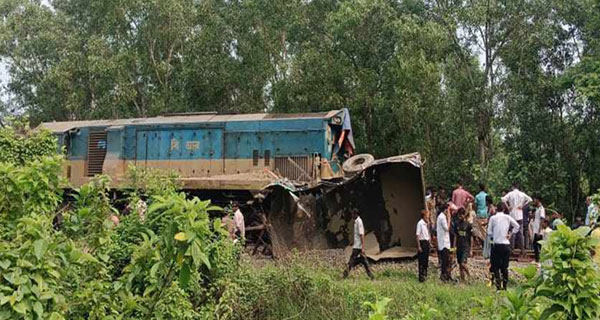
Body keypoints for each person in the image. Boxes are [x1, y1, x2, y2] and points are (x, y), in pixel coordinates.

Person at [487, 204, 519, 290]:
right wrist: (510, 234)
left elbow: (489, 232)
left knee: (496, 267)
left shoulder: (493, 218)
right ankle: (505, 287)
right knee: (505, 267)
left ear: (497, 209)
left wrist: (495, 235)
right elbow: (517, 226)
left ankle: (498, 286)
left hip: (497, 244)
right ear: (504, 209)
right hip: (506, 244)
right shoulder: (507, 217)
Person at [502, 183, 532, 258]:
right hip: (519, 215)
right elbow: (530, 199)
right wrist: (523, 206)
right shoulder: (522, 194)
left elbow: (503, 199)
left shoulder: (510, 194)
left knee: (512, 232)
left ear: (513, 187)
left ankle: (511, 249)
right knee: (520, 233)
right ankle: (522, 250)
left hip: (512, 215)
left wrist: (508, 206)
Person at [343, 209, 374, 279]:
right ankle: (371, 276)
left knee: (351, 260)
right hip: (357, 245)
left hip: (358, 246)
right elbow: (357, 235)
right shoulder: (356, 222)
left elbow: (361, 235)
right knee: (364, 261)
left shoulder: (359, 222)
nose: (351, 216)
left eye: (352, 214)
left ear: (355, 214)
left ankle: (345, 274)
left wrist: (363, 247)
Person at [454, 208, 472, 282]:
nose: (460, 216)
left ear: (464, 215)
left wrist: (471, 249)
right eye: (459, 215)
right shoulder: (456, 224)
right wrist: (454, 246)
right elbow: (455, 236)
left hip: (466, 246)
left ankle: (469, 276)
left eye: (461, 215)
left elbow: (471, 237)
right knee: (460, 265)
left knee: (463, 263)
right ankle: (463, 281)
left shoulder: (468, 224)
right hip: (459, 246)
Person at [436, 203, 453, 282]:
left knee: (446, 260)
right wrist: (449, 218)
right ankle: (443, 276)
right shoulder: (442, 218)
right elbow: (447, 228)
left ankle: (445, 275)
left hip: (444, 242)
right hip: (444, 243)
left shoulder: (441, 217)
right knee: (445, 261)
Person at [416, 209, 431, 282]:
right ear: (424, 216)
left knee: (426, 260)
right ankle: (421, 276)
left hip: (427, 241)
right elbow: (417, 235)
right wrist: (419, 246)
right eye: (427, 216)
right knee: (421, 260)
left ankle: (425, 274)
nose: (428, 217)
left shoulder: (426, 224)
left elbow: (428, 233)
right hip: (422, 242)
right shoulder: (420, 223)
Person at [531, 195, 546, 262]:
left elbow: (542, 220)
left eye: (535, 199)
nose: (534, 201)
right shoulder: (537, 209)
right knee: (535, 244)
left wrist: (540, 230)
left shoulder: (541, 209)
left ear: (538, 200)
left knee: (537, 245)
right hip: (535, 229)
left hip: (538, 230)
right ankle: (537, 258)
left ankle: (538, 259)